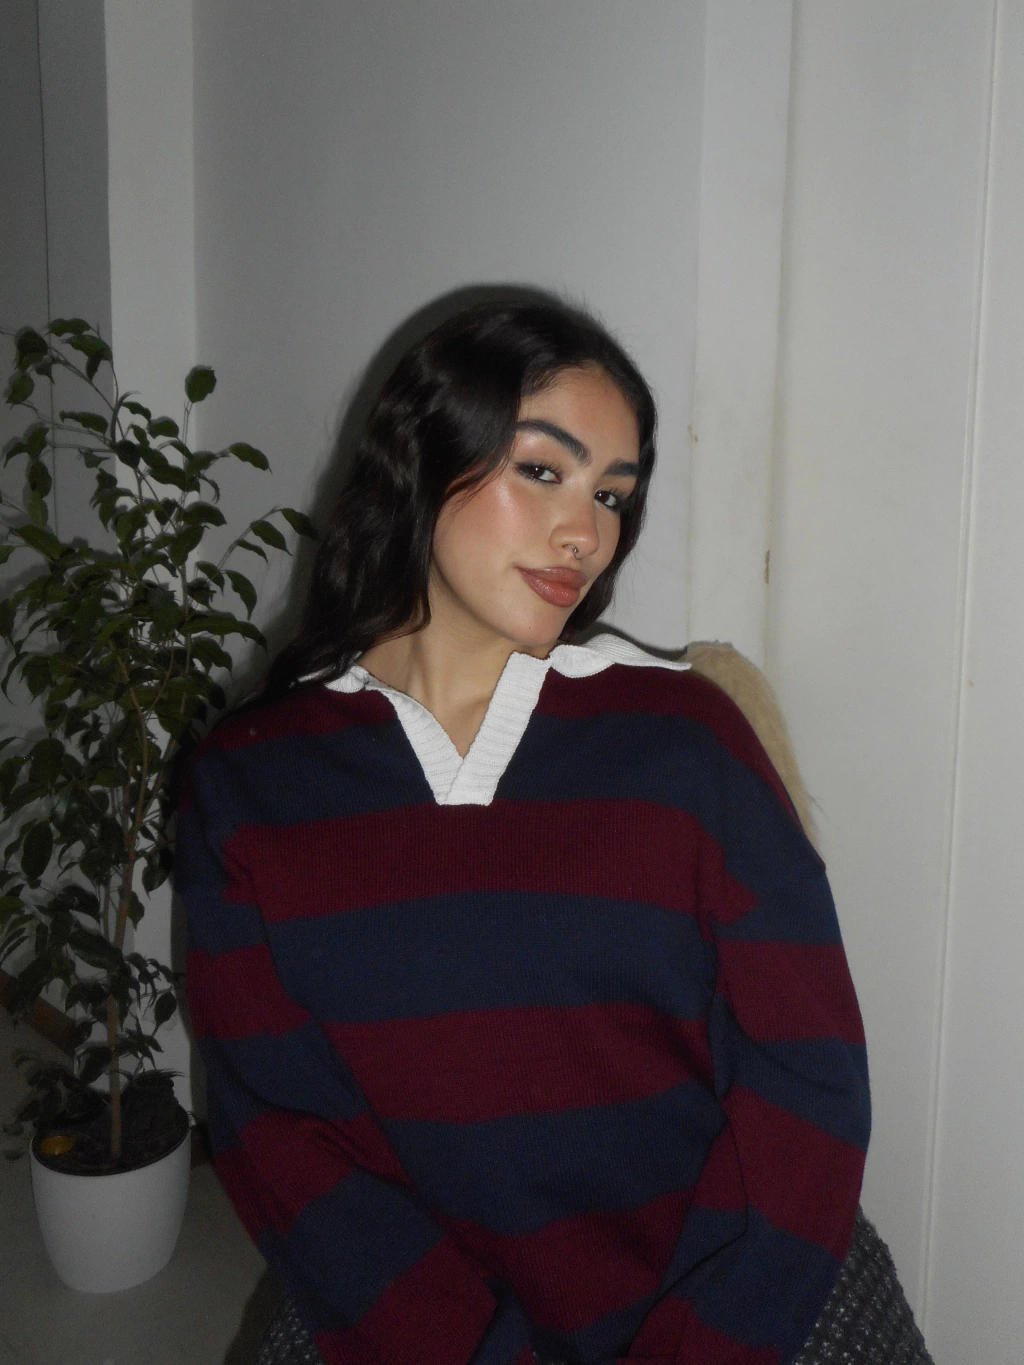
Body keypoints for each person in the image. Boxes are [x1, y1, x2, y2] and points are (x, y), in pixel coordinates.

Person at [175, 296, 926, 1365]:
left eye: (611, 494)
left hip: (732, 1294)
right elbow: (281, 1136)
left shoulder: (685, 741)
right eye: (543, 470)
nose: (587, 532)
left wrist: (706, 1339)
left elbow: (807, 1076)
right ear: (421, 457)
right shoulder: (252, 785)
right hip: (415, 1320)